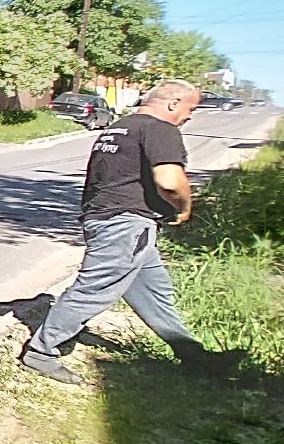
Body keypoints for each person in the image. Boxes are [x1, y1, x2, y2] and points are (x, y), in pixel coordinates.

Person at [20, 79, 220, 384]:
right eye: (190, 108)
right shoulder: (160, 128)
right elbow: (169, 179)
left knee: (155, 292)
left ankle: (191, 354)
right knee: (95, 289)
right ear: (172, 103)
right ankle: (42, 352)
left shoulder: (120, 127)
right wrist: (184, 207)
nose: (191, 115)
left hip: (109, 219)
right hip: (126, 225)